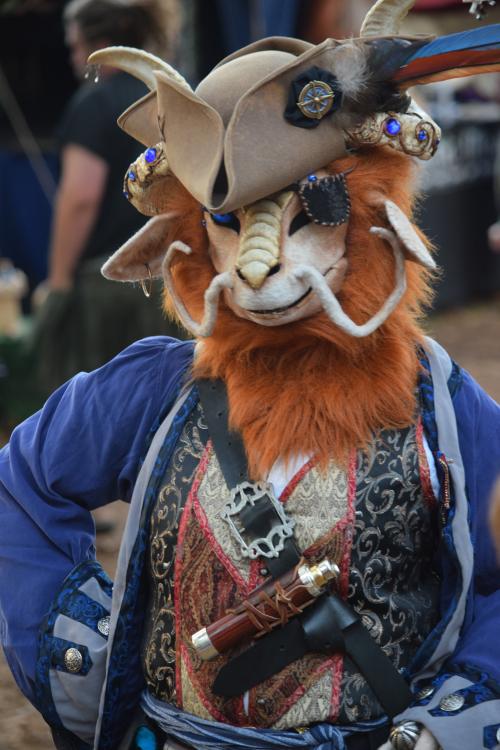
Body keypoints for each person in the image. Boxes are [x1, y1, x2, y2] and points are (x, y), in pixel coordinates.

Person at [1, 1, 500, 750]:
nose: (260, 266)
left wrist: (451, 723)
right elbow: (23, 484)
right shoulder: (153, 393)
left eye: (316, 206)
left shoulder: (445, 409)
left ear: (373, 212)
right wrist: (89, 660)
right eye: (226, 219)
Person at [34, 0, 184, 394]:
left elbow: (80, 197)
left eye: (75, 48)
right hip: (171, 279)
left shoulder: (93, 104)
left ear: (95, 44)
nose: (73, 59)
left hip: (108, 291)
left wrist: (59, 283)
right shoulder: (168, 99)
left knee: (104, 408)